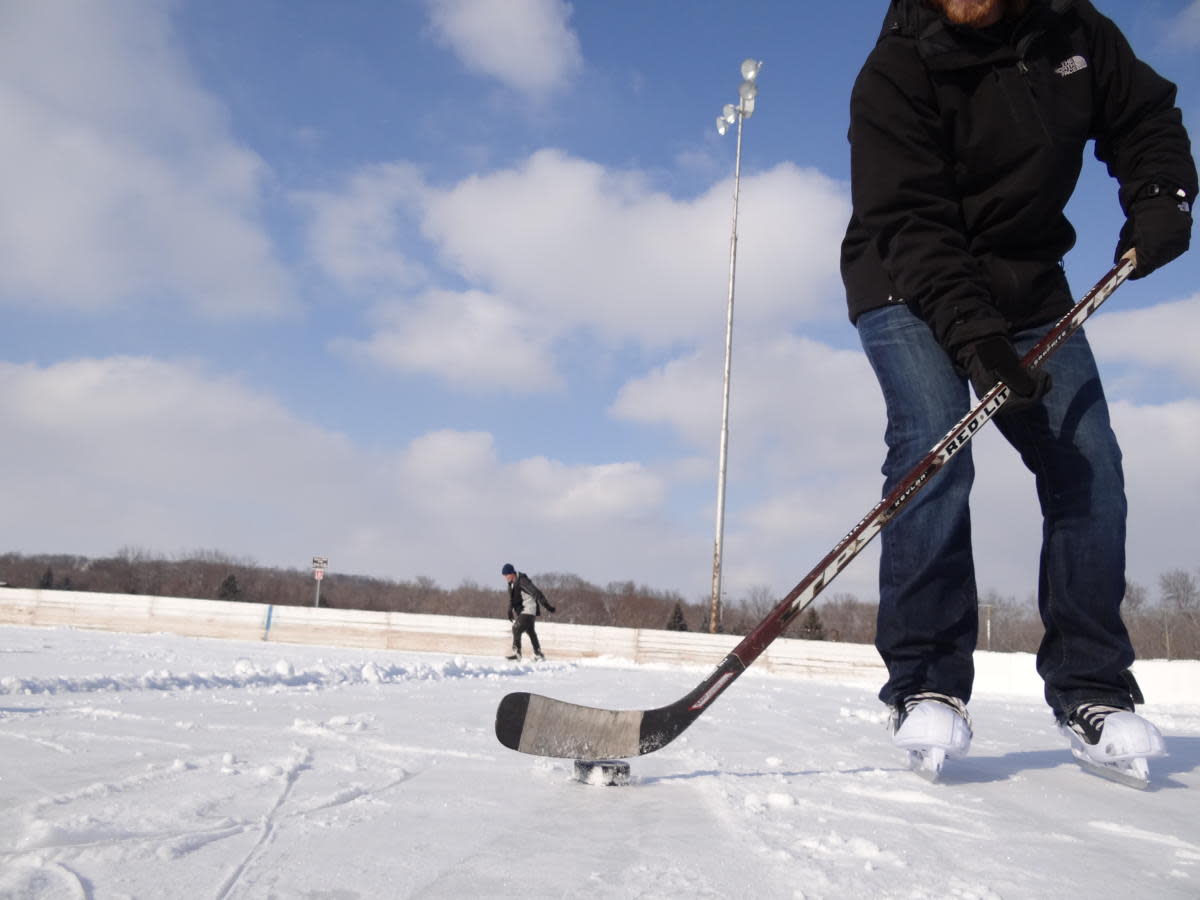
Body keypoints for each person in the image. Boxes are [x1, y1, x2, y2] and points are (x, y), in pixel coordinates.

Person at [841, 0, 1194, 778]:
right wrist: (977, 343)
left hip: (1030, 289)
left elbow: (1143, 115)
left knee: (1089, 466)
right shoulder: (896, 70)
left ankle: (1091, 687)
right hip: (907, 282)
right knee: (937, 446)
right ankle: (927, 682)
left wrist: (1162, 192)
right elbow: (911, 223)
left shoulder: (1075, 31)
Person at [502, 563, 555, 661]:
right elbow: (512, 599)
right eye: (504, 576)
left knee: (516, 628)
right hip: (524, 611)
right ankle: (538, 653)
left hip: (529, 609)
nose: (505, 578)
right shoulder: (511, 584)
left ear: (511, 573)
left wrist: (547, 606)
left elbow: (536, 592)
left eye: (506, 575)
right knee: (530, 632)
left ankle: (517, 653)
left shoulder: (522, 581)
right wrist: (510, 610)